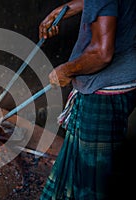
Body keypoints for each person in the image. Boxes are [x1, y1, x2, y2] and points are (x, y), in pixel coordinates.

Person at [38, 0, 136, 199]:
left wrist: (66, 70)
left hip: (104, 91)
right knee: (78, 170)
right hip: (125, 77)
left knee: (90, 185)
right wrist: (70, 9)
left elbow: (101, 54)